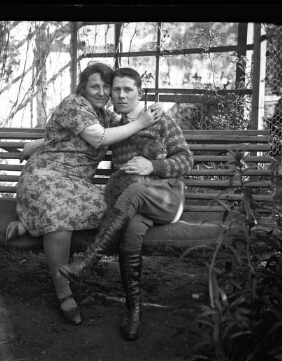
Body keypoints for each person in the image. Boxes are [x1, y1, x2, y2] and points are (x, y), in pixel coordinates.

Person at [8, 63, 163, 326]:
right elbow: (101, 137)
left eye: (106, 87)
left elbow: (116, 123)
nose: (102, 92)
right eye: (95, 86)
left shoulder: (103, 114)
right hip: (45, 176)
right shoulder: (74, 104)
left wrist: (157, 111)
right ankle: (64, 293)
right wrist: (141, 122)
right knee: (60, 211)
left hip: (75, 186)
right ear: (83, 87)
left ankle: (30, 222)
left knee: (118, 206)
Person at [58, 67, 193, 340]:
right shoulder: (114, 125)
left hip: (165, 197)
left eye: (128, 90)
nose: (121, 95)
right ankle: (133, 310)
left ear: (139, 93)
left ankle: (87, 263)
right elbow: (73, 137)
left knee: (132, 192)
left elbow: (186, 160)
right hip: (135, 206)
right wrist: (36, 146)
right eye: (116, 89)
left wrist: (152, 164)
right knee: (131, 232)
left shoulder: (161, 120)